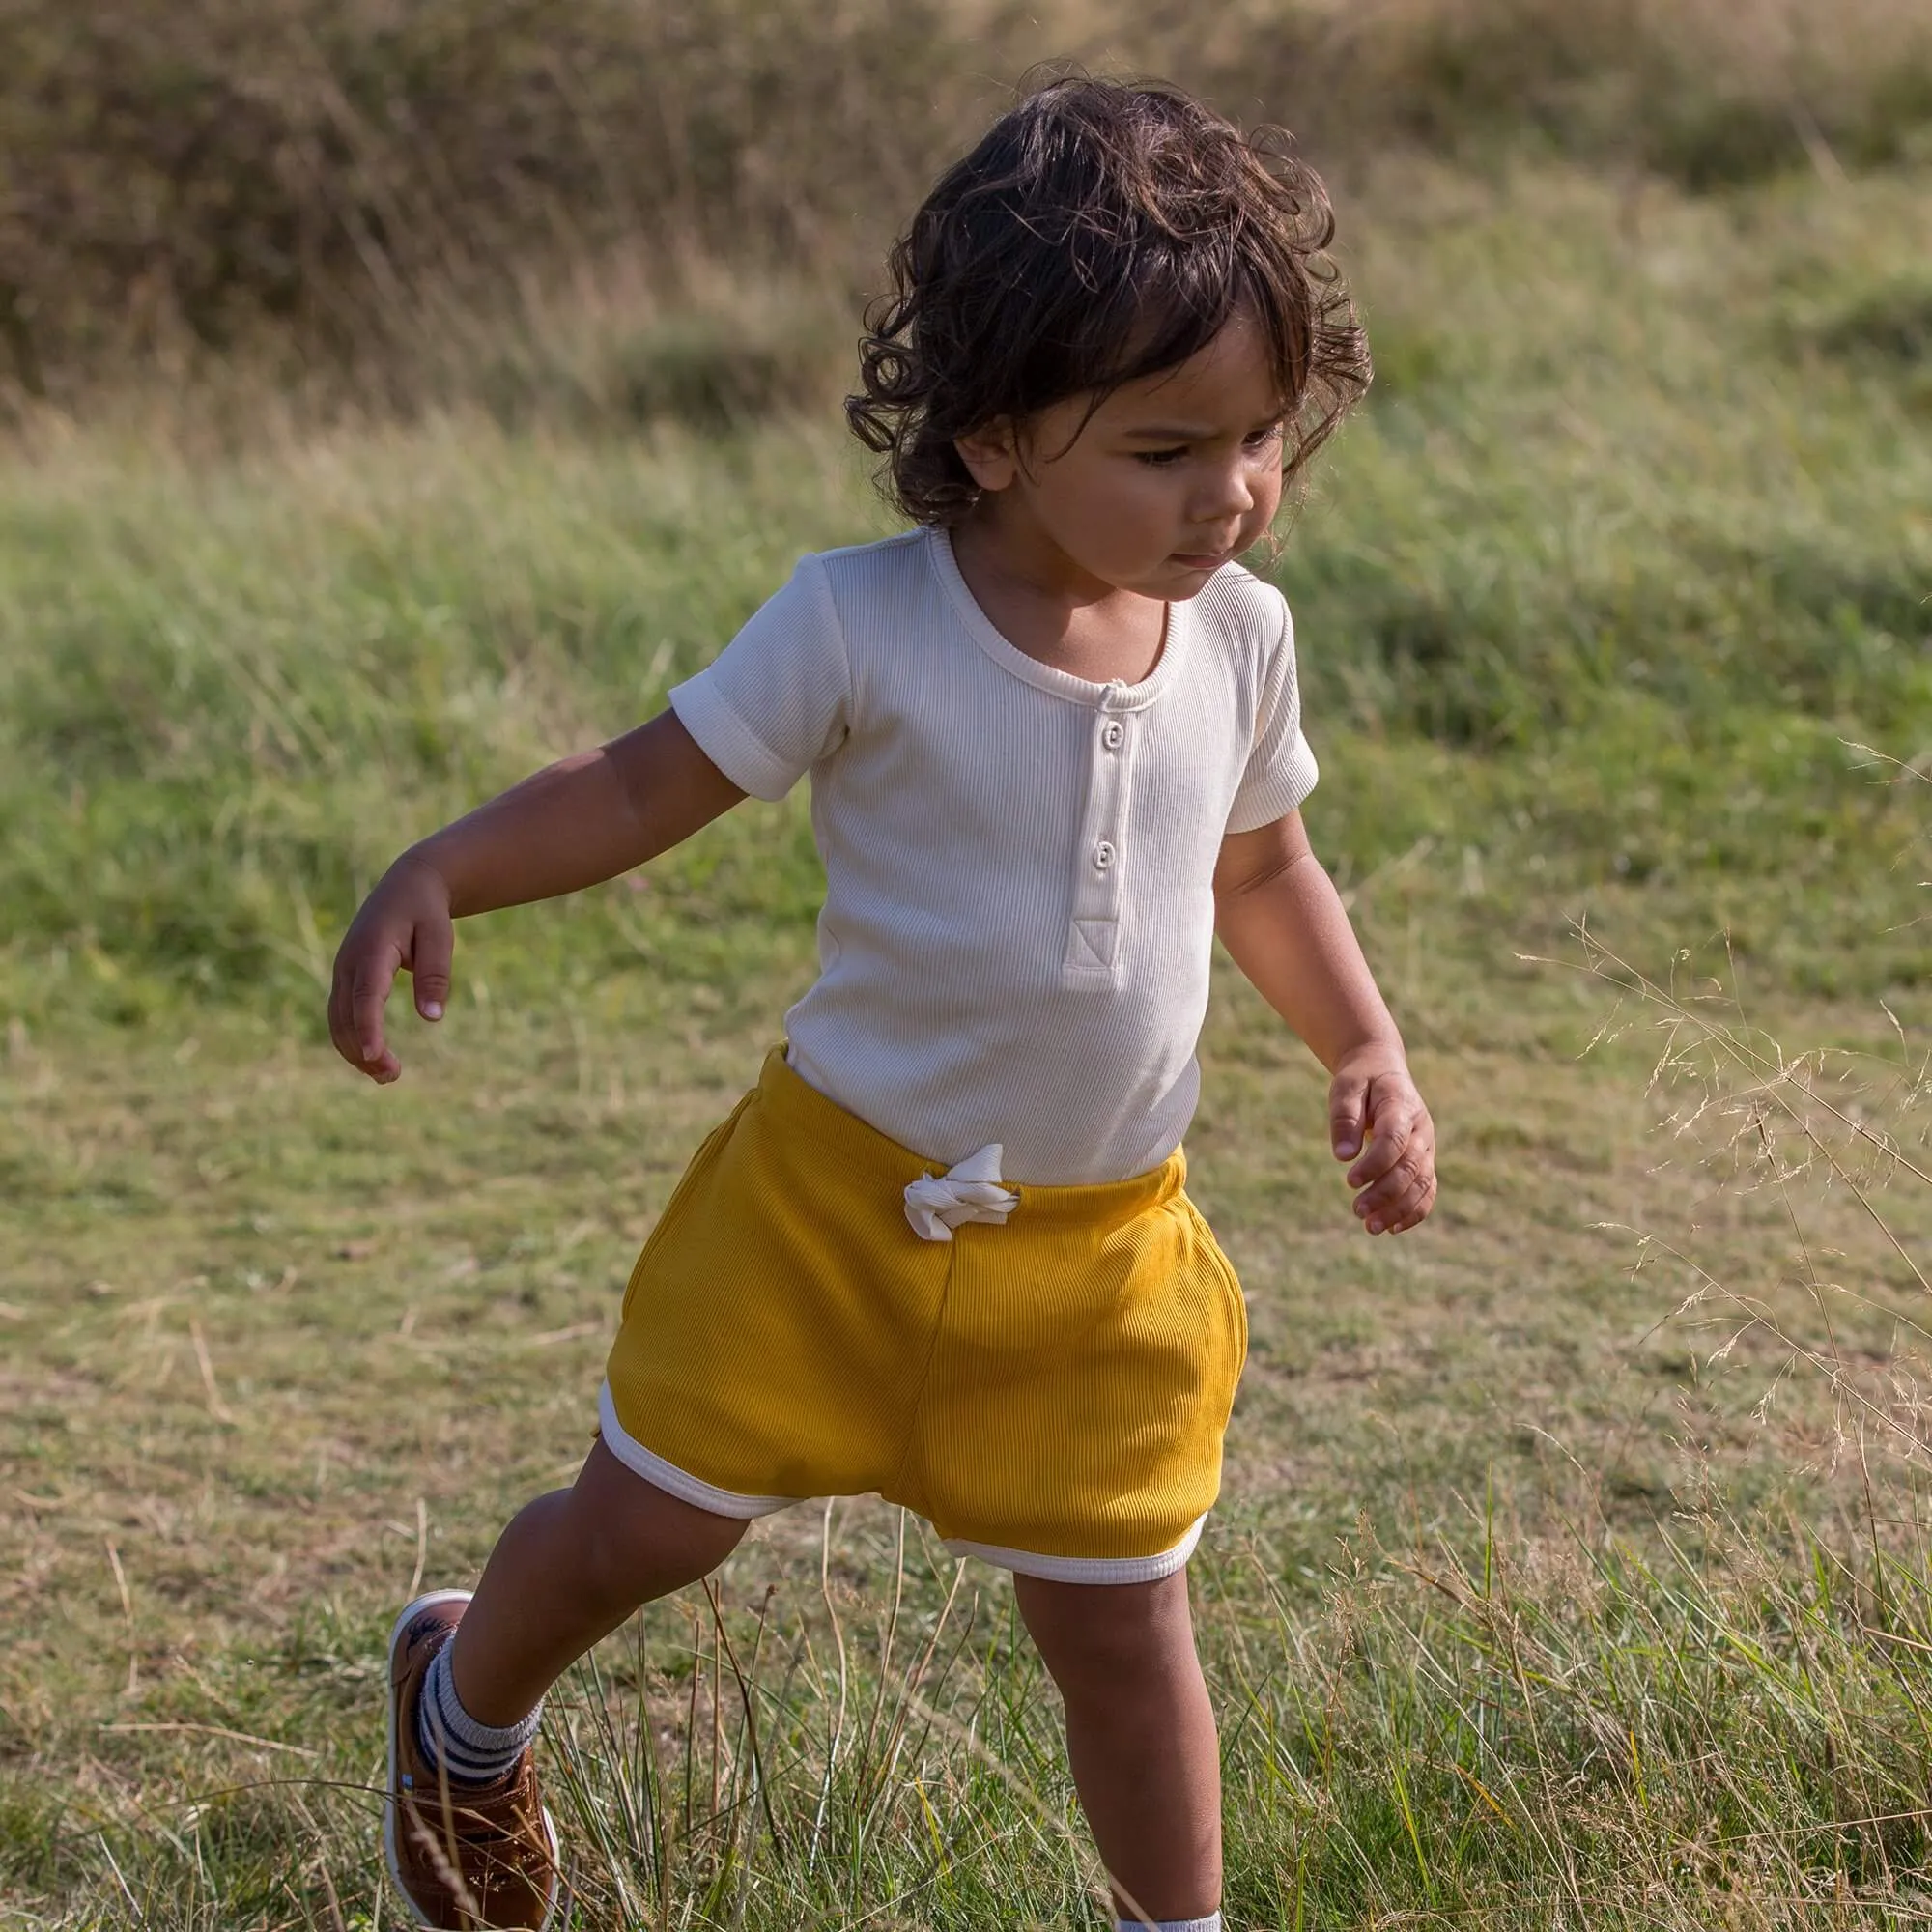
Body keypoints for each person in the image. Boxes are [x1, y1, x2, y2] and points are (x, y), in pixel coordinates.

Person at [329, 72, 1435, 1932]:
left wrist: (1366, 1042)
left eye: (1258, 439)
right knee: (645, 1531)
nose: (1232, 495)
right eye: (1166, 449)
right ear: (995, 438)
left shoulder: (1243, 638)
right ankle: (462, 1714)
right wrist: (438, 866)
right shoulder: (861, 622)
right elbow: (634, 786)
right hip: (830, 1215)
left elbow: (1262, 869)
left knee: (1122, 1617)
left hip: (1098, 1259)